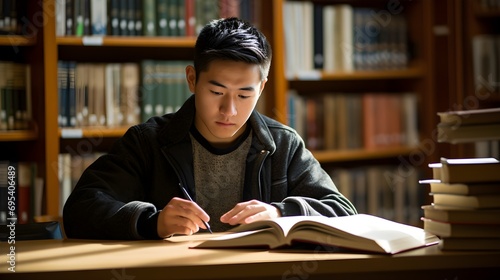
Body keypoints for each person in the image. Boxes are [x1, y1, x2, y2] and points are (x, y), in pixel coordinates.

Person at [63, 17, 357, 240]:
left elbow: (343, 211)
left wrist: (281, 213)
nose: (229, 110)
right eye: (216, 92)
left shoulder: (283, 144)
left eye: (244, 95)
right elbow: (80, 210)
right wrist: (151, 222)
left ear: (262, 87)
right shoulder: (148, 142)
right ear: (192, 79)